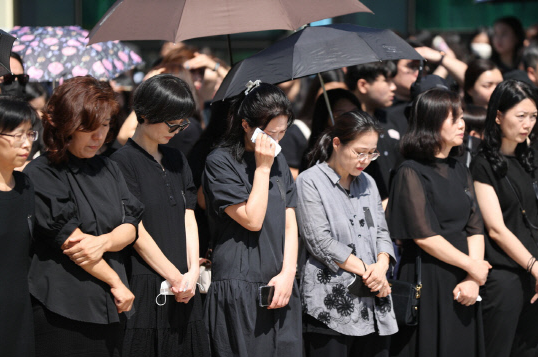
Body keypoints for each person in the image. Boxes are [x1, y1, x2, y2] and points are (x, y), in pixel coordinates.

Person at [23, 76, 144, 357]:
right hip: (63, 306)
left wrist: (103, 242)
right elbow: (74, 244)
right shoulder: (41, 172)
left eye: (104, 126)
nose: (99, 136)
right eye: (88, 128)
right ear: (66, 125)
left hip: (113, 306)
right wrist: (116, 281)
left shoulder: (108, 167)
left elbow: (131, 225)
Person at [110, 74, 210, 357]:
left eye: (183, 122)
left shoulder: (178, 159)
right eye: (171, 122)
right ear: (144, 114)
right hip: (146, 281)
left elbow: (188, 216)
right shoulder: (121, 162)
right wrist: (174, 276)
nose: (178, 129)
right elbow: (135, 229)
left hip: (186, 284)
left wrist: (191, 271)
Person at [387, 88, 490, 357]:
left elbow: (475, 226)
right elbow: (424, 235)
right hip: (430, 276)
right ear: (432, 122)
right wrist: (473, 267)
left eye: (462, 117)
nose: (462, 124)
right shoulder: (410, 170)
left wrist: (472, 279)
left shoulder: (460, 168)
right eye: (453, 118)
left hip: (464, 279)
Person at [202, 81, 301, 357]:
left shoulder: (279, 160)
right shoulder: (219, 162)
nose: (276, 140)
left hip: (280, 283)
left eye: (282, 132)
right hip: (239, 284)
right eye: (270, 133)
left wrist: (288, 273)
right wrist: (262, 168)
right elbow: (252, 219)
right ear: (246, 125)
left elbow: (290, 219)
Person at [297, 111, 397, 357]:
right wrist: (370, 272)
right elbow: (320, 242)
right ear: (337, 143)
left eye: (371, 153)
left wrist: (382, 266)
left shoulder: (369, 183)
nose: (365, 160)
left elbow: (382, 231)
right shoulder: (309, 181)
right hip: (332, 305)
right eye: (359, 152)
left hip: (374, 300)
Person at [470, 79, 538, 357]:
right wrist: (534, 267)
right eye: (520, 116)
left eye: (533, 116)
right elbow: (496, 229)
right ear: (498, 116)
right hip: (507, 277)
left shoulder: (529, 159)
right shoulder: (483, 164)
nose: (528, 124)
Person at [0, 96, 39, 356]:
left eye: (30, 133)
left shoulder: (25, 185)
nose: (27, 143)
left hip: (21, 308)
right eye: (17, 135)